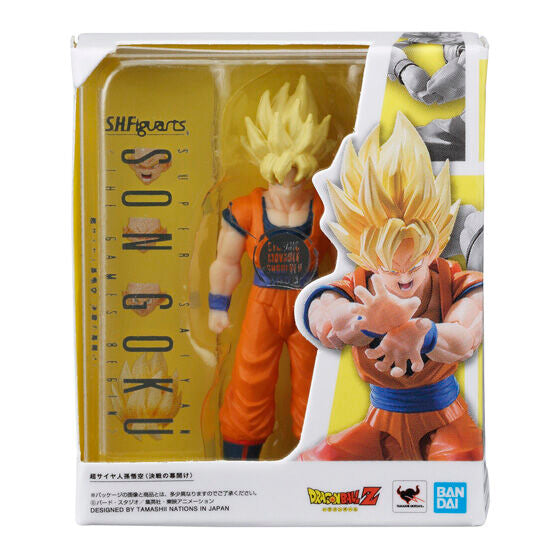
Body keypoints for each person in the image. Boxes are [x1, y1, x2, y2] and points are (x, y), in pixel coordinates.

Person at [301, 113, 483, 461]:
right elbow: (323, 314)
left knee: (463, 461)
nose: (403, 277)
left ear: (434, 244)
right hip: (379, 424)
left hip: (448, 421)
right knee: (317, 466)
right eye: (388, 266)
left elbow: (465, 336)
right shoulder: (357, 287)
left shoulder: (456, 282)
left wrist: (425, 335)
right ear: (366, 256)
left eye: (415, 262)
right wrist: (360, 321)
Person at [208, 77, 334, 460]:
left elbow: (350, 258)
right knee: (250, 380)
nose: (289, 175)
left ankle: (318, 454)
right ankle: (241, 458)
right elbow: (225, 262)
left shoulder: (324, 208)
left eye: (298, 163)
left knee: (314, 383)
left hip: (308, 306)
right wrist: (218, 306)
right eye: (282, 164)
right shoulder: (246, 209)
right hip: (262, 305)